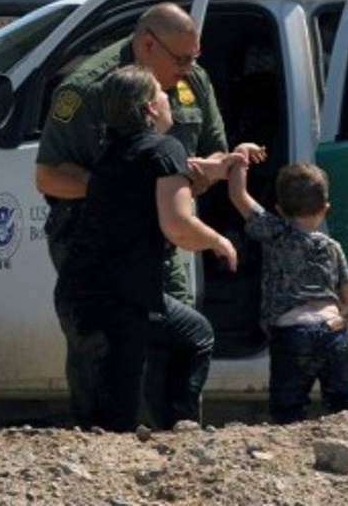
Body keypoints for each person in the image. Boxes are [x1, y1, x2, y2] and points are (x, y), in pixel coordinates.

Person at [36, 2, 264, 428]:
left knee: (172, 344)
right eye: (181, 58)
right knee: (104, 359)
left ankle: (173, 441)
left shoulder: (192, 79)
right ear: (146, 44)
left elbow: (214, 151)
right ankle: (97, 443)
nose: (189, 67)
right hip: (94, 245)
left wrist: (182, 175)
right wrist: (133, 182)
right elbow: (48, 175)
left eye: (195, 57)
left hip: (157, 241)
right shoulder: (89, 87)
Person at [53, 64, 239, 432]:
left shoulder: (112, 151)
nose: (169, 97)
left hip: (78, 296)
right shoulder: (164, 147)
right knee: (115, 419)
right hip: (121, 304)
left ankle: (167, 431)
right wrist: (219, 241)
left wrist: (225, 166)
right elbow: (178, 226)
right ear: (150, 108)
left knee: (97, 411)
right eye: (161, 92)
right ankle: (180, 431)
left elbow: (171, 168)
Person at [226, 160, 348, 423]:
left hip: (292, 332)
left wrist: (240, 160)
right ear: (326, 209)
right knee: (343, 403)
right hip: (333, 330)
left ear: (278, 209)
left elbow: (238, 196)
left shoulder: (276, 233)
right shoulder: (332, 247)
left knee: (288, 406)